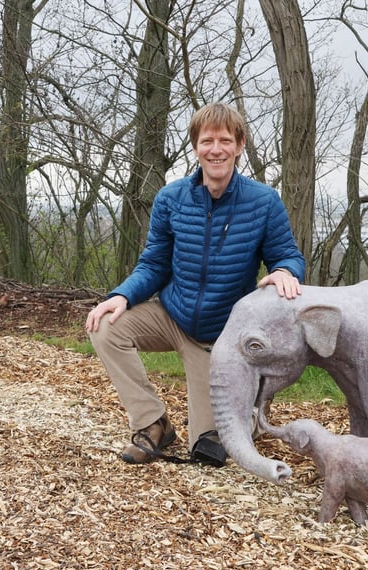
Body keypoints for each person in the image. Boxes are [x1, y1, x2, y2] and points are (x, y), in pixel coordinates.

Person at [85, 102, 306, 467]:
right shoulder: (171, 199)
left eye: (224, 140)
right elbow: (154, 263)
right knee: (105, 326)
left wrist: (285, 271)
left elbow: (288, 256)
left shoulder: (263, 201)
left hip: (220, 335)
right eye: (207, 141)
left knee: (207, 450)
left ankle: (245, 415)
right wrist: (122, 295)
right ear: (195, 147)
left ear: (239, 145)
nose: (215, 149)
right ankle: (152, 424)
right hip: (173, 314)